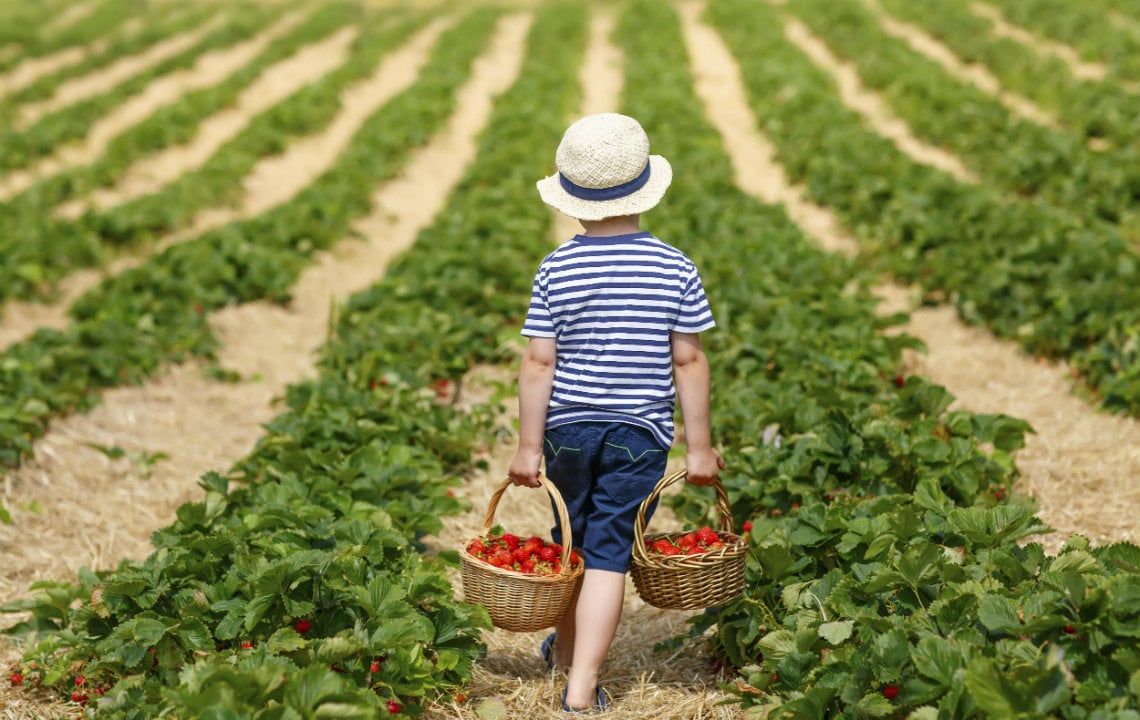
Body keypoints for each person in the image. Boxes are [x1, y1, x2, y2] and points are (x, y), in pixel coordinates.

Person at [507, 112, 724, 713]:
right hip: (639, 434)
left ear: (573, 199)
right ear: (645, 190)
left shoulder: (557, 266)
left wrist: (528, 446)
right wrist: (698, 448)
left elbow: (538, 364)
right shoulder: (674, 266)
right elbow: (688, 363)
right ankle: (581, 686)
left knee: (569, 543)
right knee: (607, 555)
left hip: (566, 431)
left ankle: (568, 654)